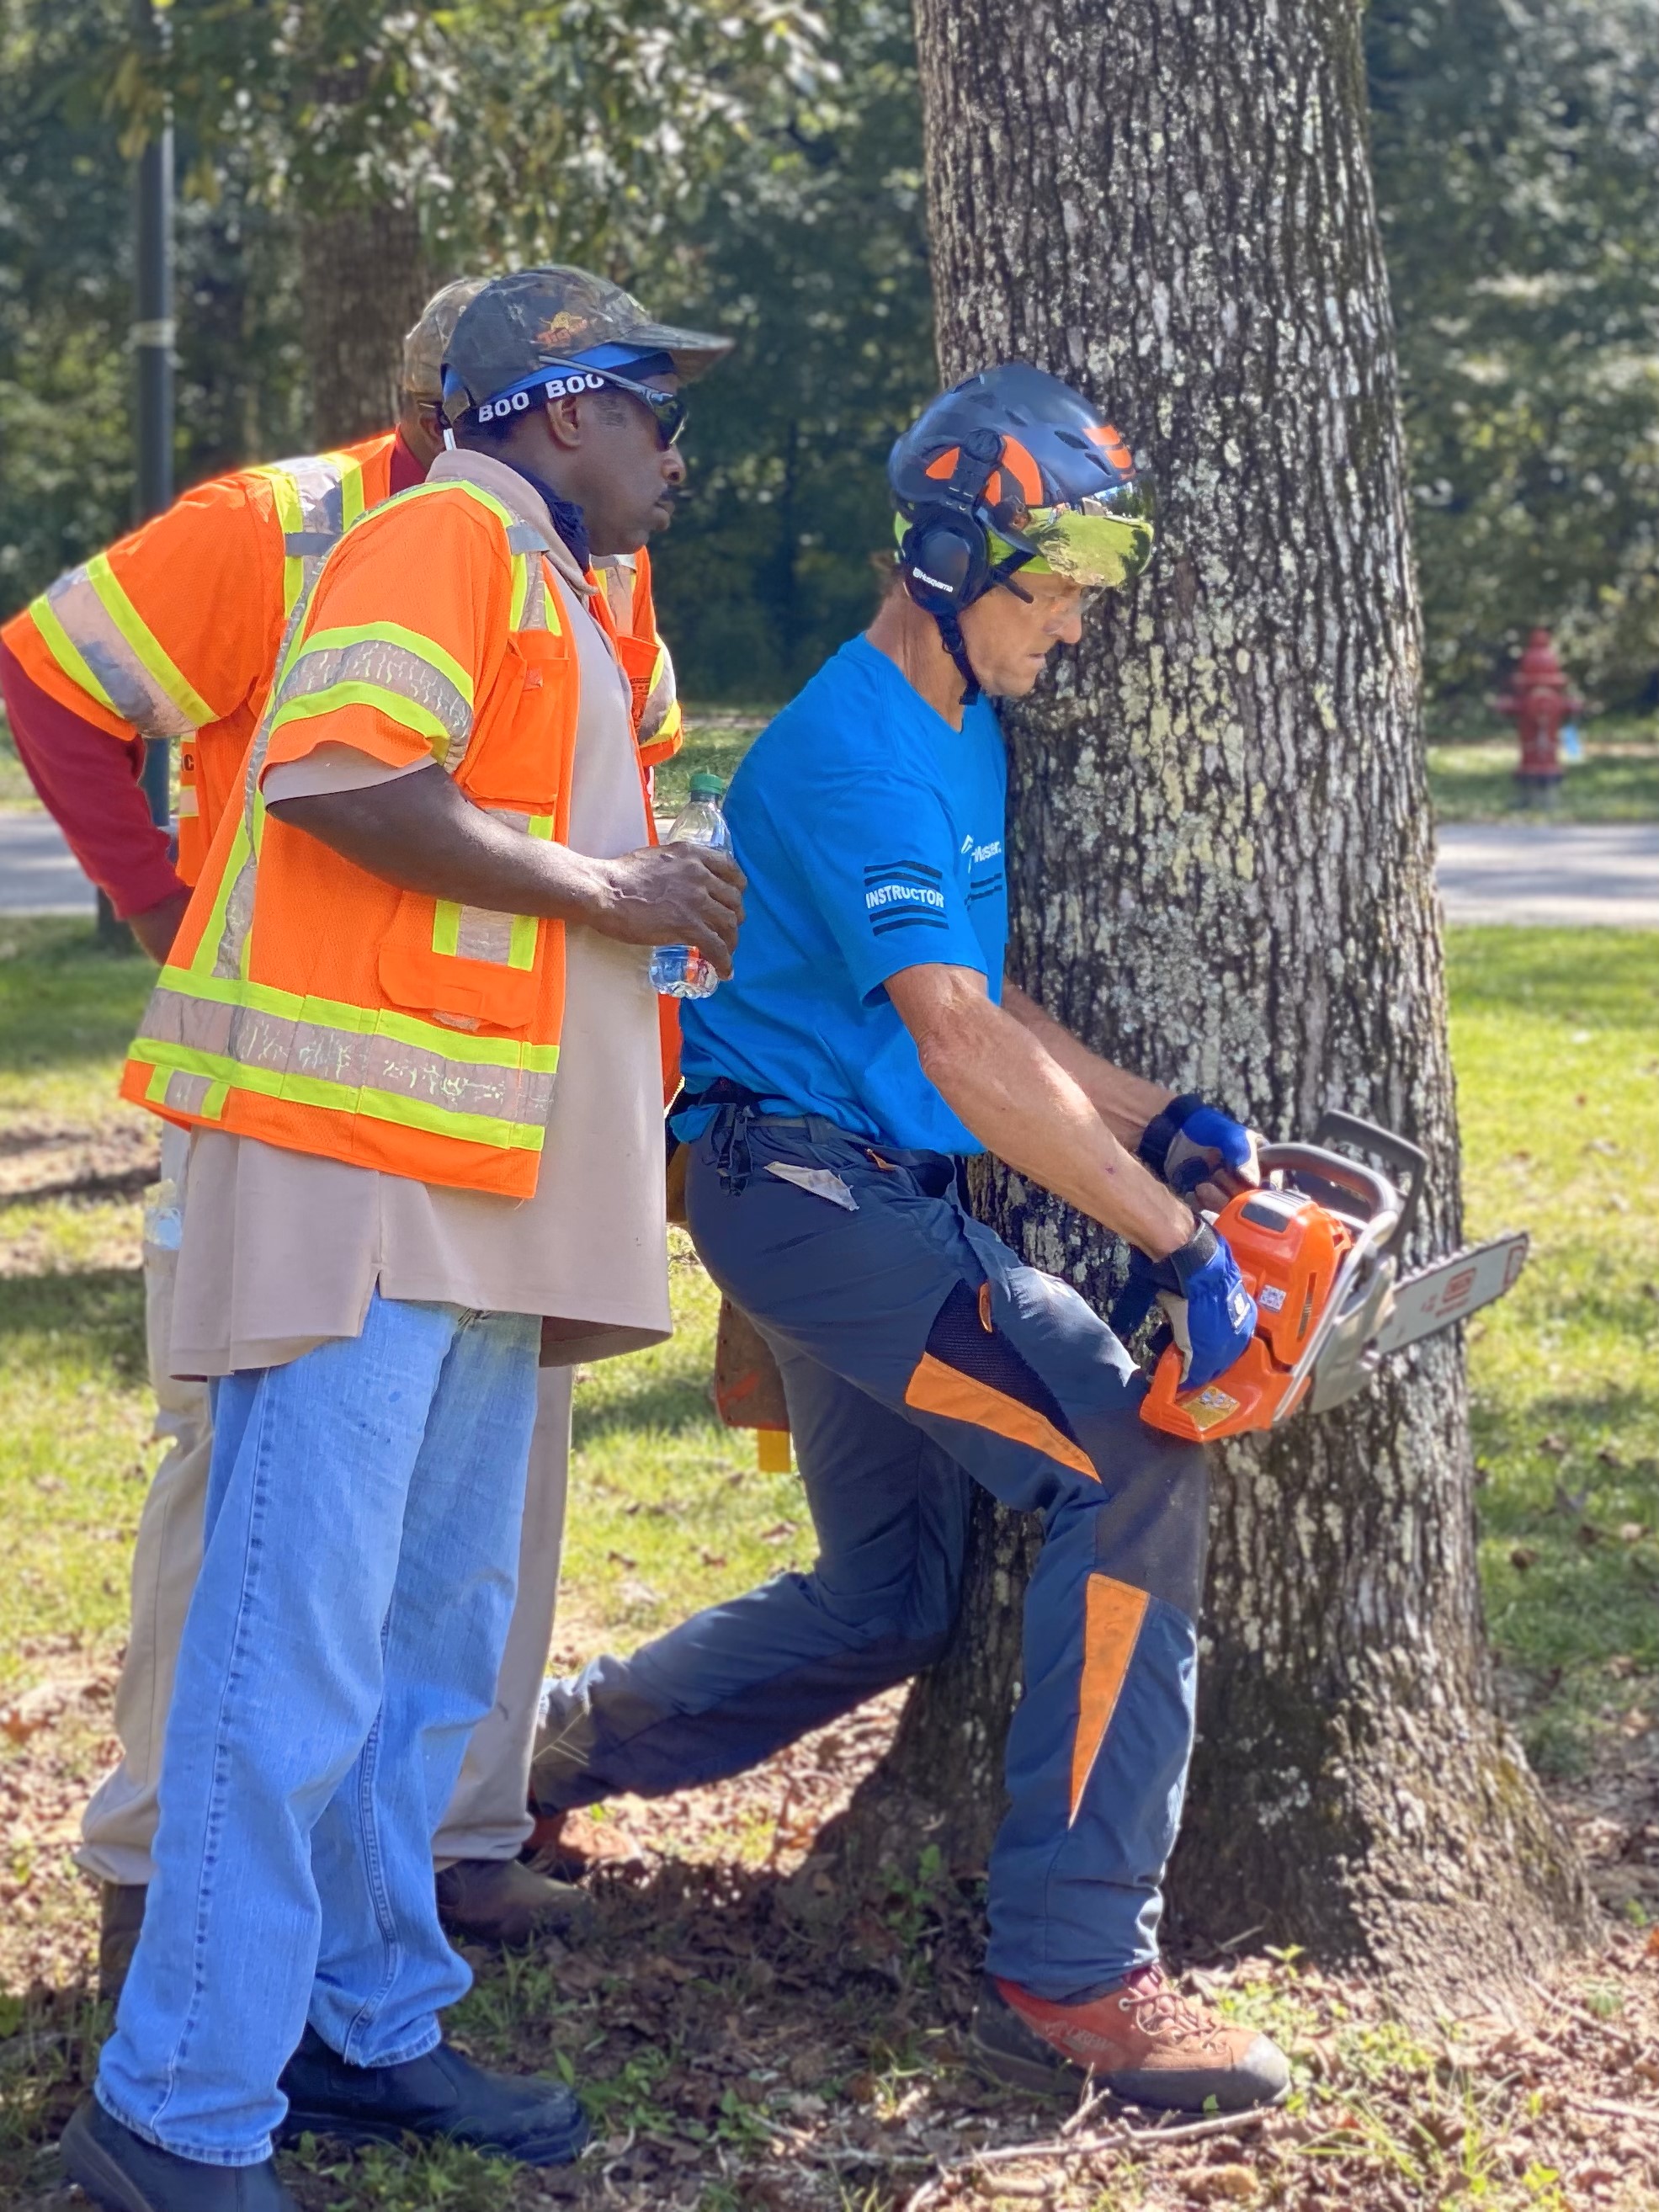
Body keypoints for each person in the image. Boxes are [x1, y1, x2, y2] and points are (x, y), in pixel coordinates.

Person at [529, 363, 1294, 2117]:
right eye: (1062, 574)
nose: (1082, 616)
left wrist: (1146, 1113)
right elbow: (949, 1042)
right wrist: (1177, 1243)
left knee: (890, 1597)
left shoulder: (954, 727)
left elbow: (975, 995)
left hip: (842, 1189)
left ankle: (528, 1760)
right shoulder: (857, 746)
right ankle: (1077, 1962)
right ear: (958, 553)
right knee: (1136, 1463)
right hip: (810, 1198)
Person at [59, 264, 744, 2212]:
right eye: (651, 407)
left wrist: (648, 894)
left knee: (424, 1650)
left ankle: (364, 2026)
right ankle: (177, 2106)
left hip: (467, 1192)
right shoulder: (442, 530)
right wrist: (611, 885)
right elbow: (345, 781)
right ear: (550, 406)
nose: (673, 450)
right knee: (289, 1660)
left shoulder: (556, 581)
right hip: (359, 1185)